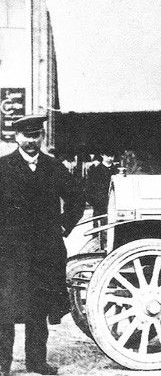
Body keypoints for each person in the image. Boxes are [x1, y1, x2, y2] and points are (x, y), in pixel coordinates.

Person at [0, 114, 85, 376]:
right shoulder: (3, 167)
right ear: (16, 137)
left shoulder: (54, 167)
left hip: (45, 251)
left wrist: (64, 225)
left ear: (42, 137)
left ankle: (36, 362)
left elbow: (76, 199)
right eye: (26, 136)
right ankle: (3, 363)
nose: (31, 142)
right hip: (9, 251)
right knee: (5, 308)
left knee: (38, 307)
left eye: (36, 136)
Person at [85, 150, 119, 226]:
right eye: (108, 155)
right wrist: (93, 201)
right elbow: (89, 187)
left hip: (113, 202)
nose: (110, 158)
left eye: (112, 156)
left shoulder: (116, 171)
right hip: (99, 203)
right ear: (102, 155)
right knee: (98, 224)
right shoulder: (95, 170)